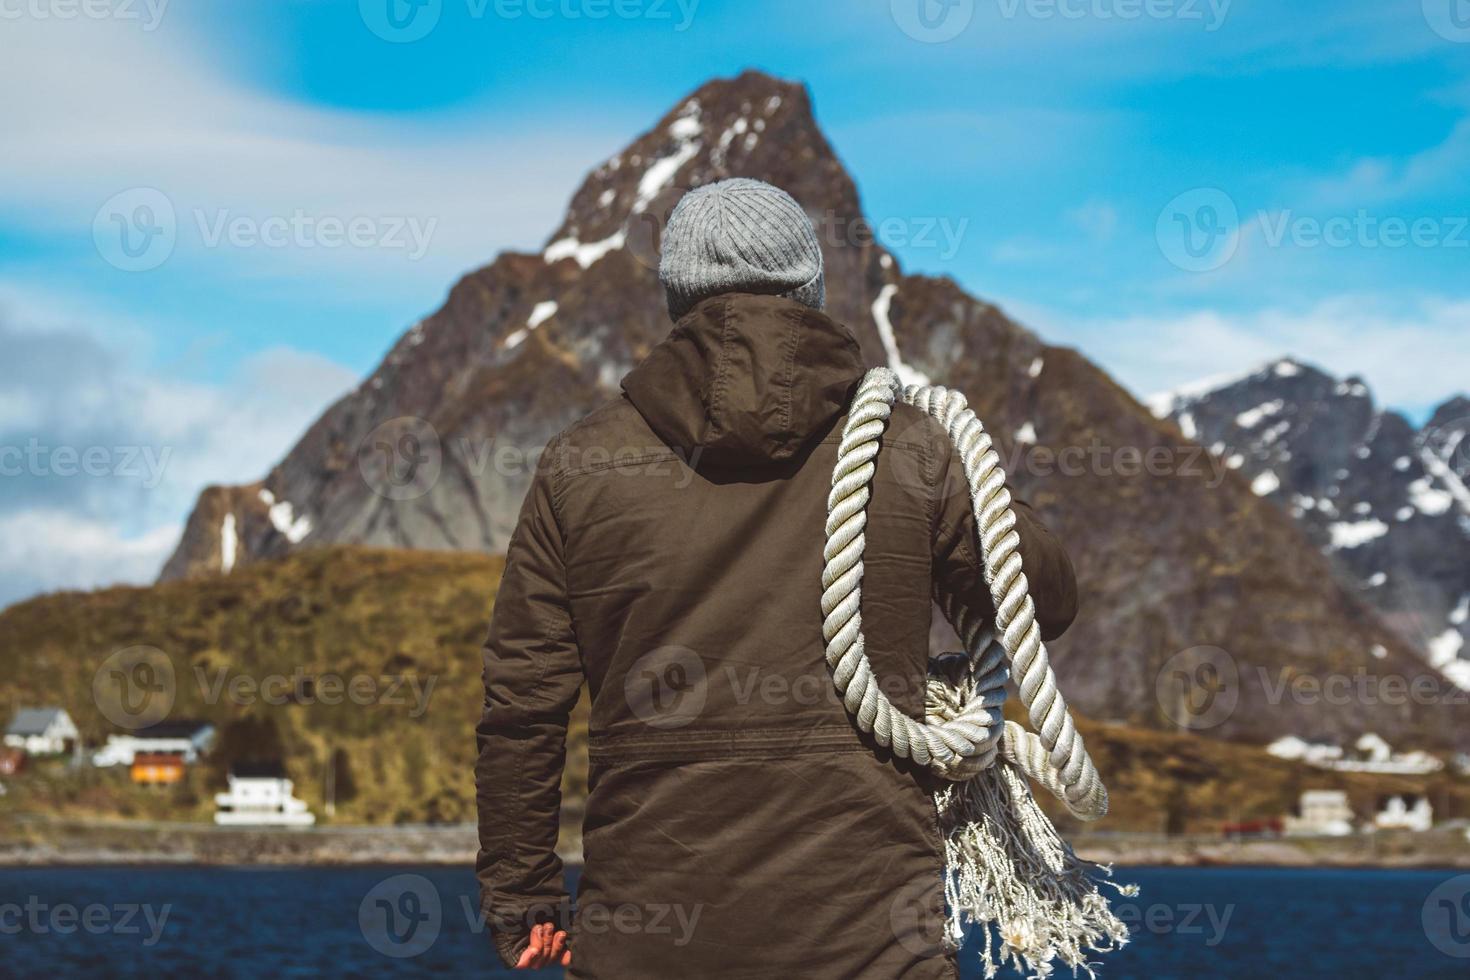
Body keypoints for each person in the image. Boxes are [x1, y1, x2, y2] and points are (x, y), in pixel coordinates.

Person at [475, 178, 1078, 977]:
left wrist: (523, 898)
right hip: (871, 948)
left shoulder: (580, 464)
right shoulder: (911, 450)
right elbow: (1046, 604)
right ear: (812, 293)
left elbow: (522, 708)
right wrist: (974, 470)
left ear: (673, 301)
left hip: (646, 950)